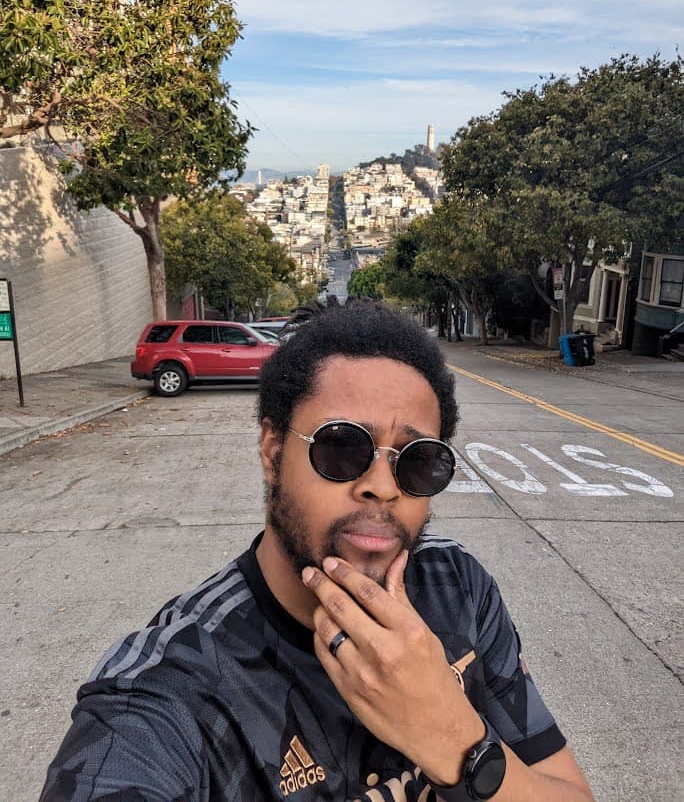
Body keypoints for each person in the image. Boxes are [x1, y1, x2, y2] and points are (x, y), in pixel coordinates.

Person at [41, 302, 593, 802]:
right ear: (273, 450)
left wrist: (452, 739)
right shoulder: (175, 690)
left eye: (417, 460)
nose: (382, 484)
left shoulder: (458, 589)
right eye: (342, 445)